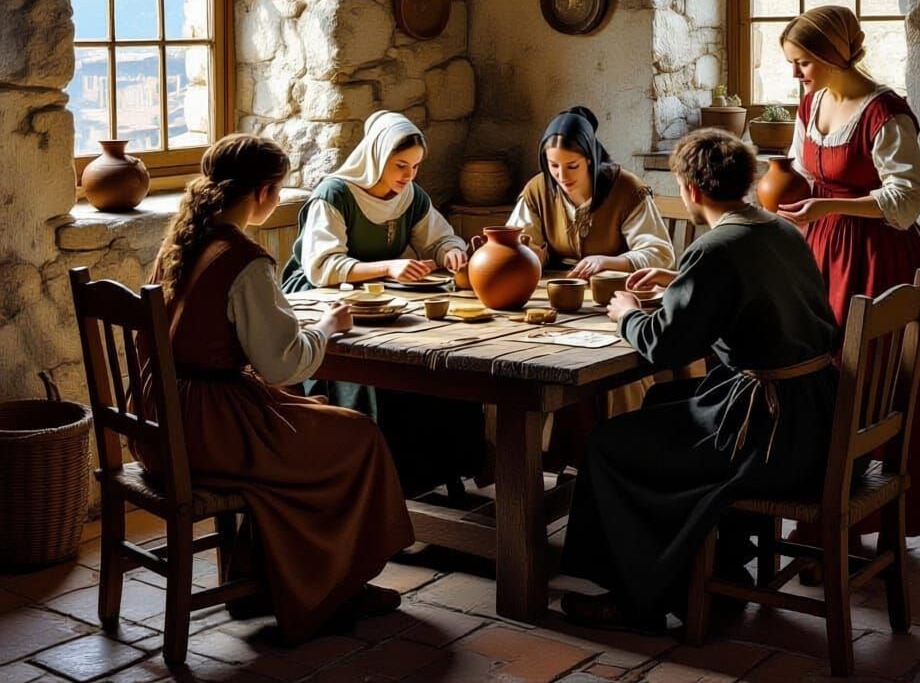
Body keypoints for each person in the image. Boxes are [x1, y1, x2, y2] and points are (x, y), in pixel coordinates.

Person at [135, 134, 414, 644]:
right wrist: (327, 328)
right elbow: (281, 365)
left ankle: (270, 577)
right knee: (357, 438)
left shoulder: (185, 242)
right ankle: (332, 588)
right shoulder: (245, 260)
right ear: (264, 192)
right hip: (205, 431)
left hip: (157, 422)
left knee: (317, 415)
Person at [560, 128, 839, 632]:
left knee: (606, 444)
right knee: (664, 398)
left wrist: (625, 313)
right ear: (748, 180)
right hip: (816, 415)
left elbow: (663, 345)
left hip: (770, 436)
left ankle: (633, 598)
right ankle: (710, 565)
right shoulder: (779, 230)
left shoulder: (714, 249)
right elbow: (754, 298)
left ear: (689, 189)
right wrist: (679, 283)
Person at [777, 5, 920, 536]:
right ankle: (824, 507)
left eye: (803, 63)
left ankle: (863, 513)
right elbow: (799, 169)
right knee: (822, 376)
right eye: (793, 64)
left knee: (868, 382)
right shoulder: (812, 102)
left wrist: (832, 207)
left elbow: (907, 200)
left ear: (832, 55)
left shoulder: (884, 112)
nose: (797, 75)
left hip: (878, 259)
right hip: (819, 251)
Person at [281, 111, 483, 495]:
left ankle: (435, 472)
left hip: (382, 300)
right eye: (400, 165)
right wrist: (389, 266)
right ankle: (380, 483)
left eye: (416, 166)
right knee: (380, 377)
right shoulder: (335, 194)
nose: (408, 175)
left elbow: (440, 238)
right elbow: (323, 266)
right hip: (320, 298)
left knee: (442, 366)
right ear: (376, 157)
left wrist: (452, 252)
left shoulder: (410, 196)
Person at [508, 105, 674, 281]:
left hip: (615, 290)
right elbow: (514, 243)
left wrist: (608, 262)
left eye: (572, 166)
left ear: (589, 159)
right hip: (554, 288)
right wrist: (533, 254)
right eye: (554, 166)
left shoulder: (626, 190)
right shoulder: (537, 191)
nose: (562, 176)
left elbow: (661, 256)